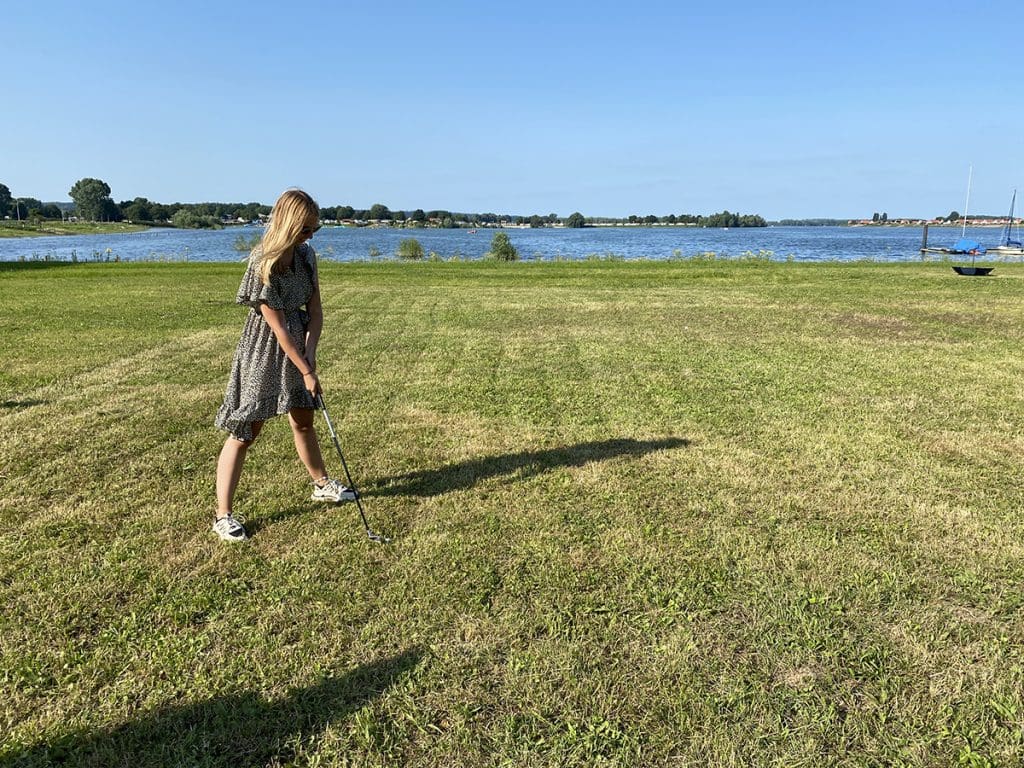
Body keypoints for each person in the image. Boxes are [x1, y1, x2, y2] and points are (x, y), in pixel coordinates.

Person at [212, 188, 354, 541]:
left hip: (299, 343)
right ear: (288, 224)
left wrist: (311, 354)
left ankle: (321, 483)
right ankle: (223, 515)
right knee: (246, 430)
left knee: (303, 421)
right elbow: (275, 327)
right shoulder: (263, 262)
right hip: (265, 349)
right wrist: (306, 370)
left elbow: (316, 311)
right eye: (306, 229)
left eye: (314, 230)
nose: (310, 236)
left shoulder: (306, 257)